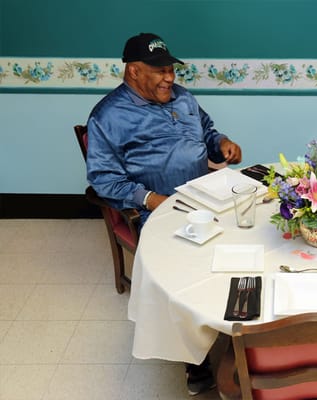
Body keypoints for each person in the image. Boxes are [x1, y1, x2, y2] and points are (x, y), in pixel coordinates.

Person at [86, 32, 242, 395]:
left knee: (250, 234)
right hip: (158, 207)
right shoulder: (107, 117)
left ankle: (237, 326)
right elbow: (103, 180)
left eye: (171, 69)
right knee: (188, 266)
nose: (170, 78)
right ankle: (196, 360)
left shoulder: (182, 97)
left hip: (205, 192)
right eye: (160, 71)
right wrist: (153, 199)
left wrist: (221, 143)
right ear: (134, 71)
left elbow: (206, 130)